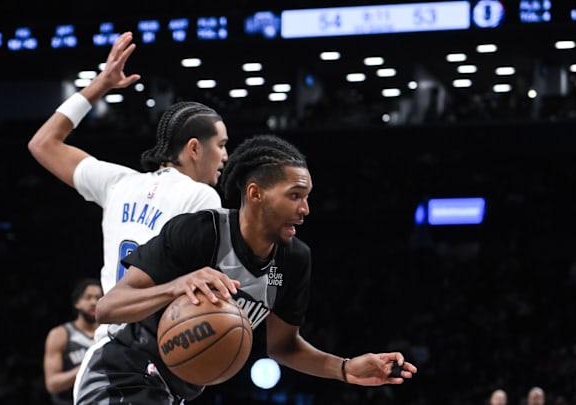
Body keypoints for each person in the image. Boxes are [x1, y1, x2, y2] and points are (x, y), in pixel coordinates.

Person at [78, 134, 418, 404]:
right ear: (255, 193)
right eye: (295, 195)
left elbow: (283, 347)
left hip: (173, 391)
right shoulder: (199, 232)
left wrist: (345, 369)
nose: (306, 209)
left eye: (308, 196)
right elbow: (107, 309)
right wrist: (178, 285)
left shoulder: (294, 260)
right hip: (121, 373)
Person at [28, 31, 230, 403]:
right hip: (139, 357)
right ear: (194, 148)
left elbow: (43, 144)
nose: (225, 157)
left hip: (112, 358)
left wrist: (99, 84)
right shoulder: (202, 197)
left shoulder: (118, 183)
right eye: (221, 146)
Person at [43, 278, 103, 405]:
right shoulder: (60, 334)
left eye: (98, 298)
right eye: (88, 298)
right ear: (77, 303)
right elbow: (52, 384)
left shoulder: (110, 332)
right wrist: (84, 368)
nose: (94, 302)